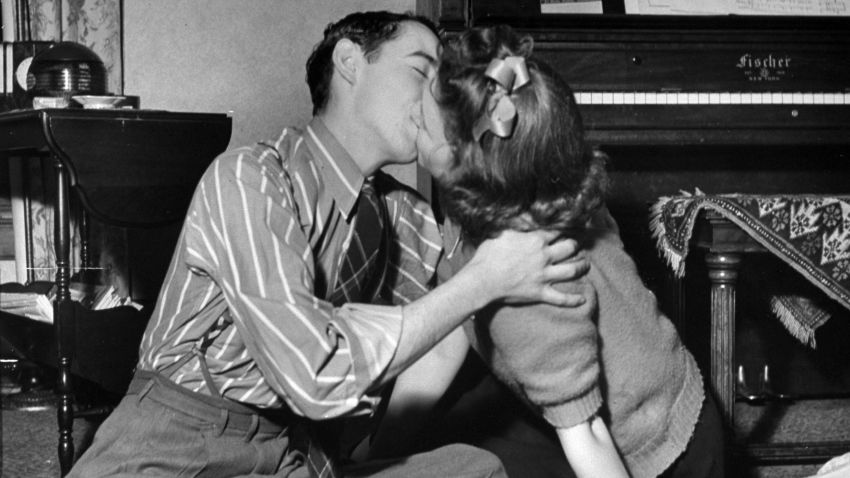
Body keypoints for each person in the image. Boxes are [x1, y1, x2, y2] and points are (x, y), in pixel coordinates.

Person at [68, 12, 591, 478]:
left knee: (477, 468)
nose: (438, 96)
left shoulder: (408, 217)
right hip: (182, 441)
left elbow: (491, 285)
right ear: (349, 62)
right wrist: (482, 281)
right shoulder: (251, 179)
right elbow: (314, 372)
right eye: (421, 71)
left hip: (296, 453)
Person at [375, 24, 725, 478]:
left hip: (660, 453)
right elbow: (445, 341)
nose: (411, 115)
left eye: (422, 121)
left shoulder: (533, 292)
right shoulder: (515, 186)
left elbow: (590, 439)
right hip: (627, 400)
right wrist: (372, 456)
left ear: (464, 160)